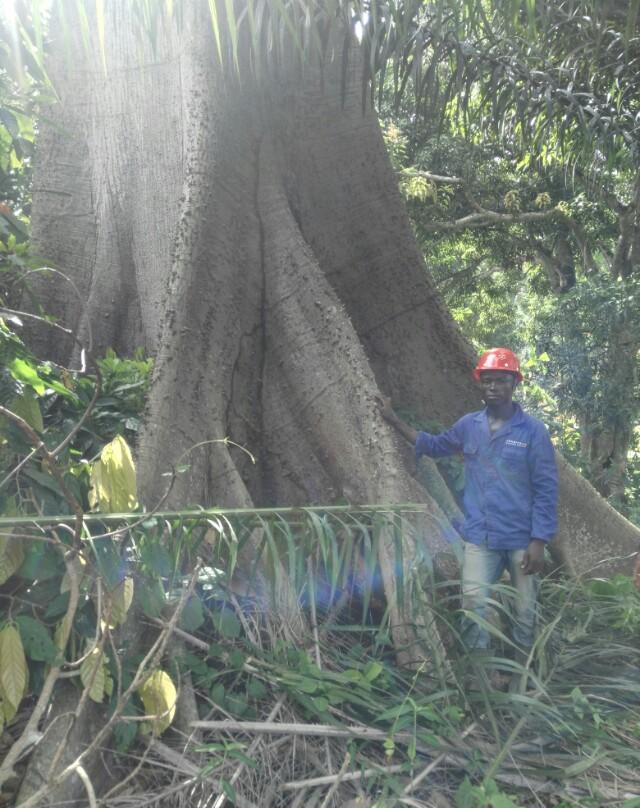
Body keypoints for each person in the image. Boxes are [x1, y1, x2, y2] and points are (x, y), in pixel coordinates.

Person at [380, 348, 558, 677]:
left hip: (522, 538)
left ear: (514, 383)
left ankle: (523, 676)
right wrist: (393, 420)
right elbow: (434, 445)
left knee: (524, 610)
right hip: (481, 537)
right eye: (486, 381)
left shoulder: (533, 432)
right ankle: (481, 676)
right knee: (473, 605)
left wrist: (539, 540)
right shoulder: (469, 426)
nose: (492, 387)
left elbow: (547, 488)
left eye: (500, 381)